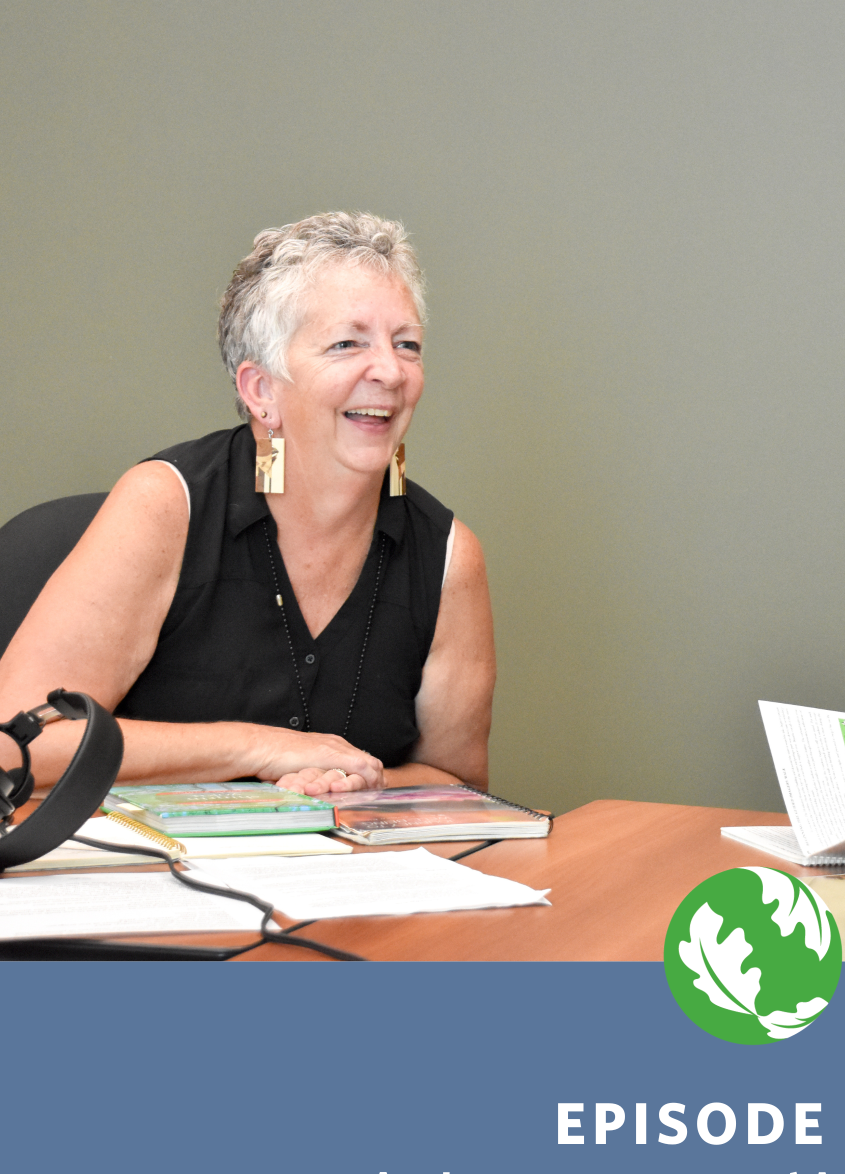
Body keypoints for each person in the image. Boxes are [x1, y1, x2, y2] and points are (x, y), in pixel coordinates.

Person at [0, 212, 495, 796]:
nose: (390, 371)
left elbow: (456, 780)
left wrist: (353, 785)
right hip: (145, 875)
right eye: (347, 343)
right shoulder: (165, 505)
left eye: (406, 344)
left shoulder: (448, 558)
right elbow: (17, 744)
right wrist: (260, 747)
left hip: (340, 882)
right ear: (260, 390)